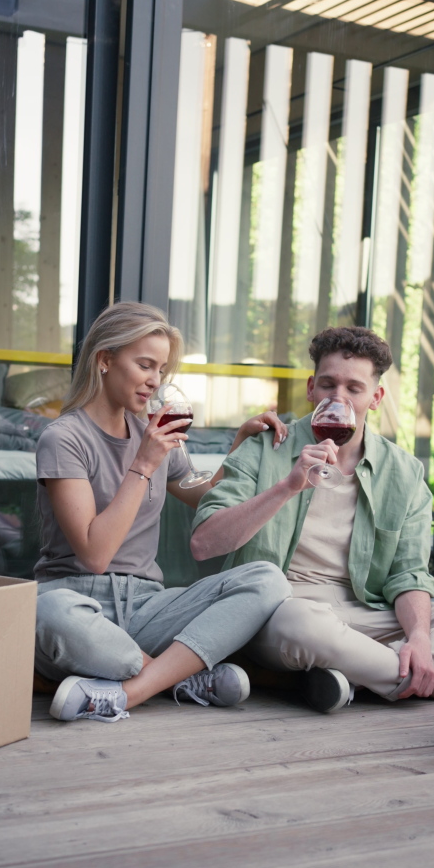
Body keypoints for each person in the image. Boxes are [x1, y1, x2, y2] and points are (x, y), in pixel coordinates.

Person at [190, 326, 434, 713]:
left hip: (366, 612)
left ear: (375, 398)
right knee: (301, 624)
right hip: (282, 609)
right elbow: (204, 544)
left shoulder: (404, 472)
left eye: (354, 388)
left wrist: (419, 636)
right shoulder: (264, 449)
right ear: (310, 389)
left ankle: (354, 671)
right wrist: (286, 487)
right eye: (328, 385)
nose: (339, 398)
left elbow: (408, 575)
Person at [34, 301, 291, 723]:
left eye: (161, 371)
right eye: (145, 366)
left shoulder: (151, 434)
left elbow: (204, 494)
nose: (155, 382)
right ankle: (177, 677)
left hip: (147, 607)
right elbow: (95, 555)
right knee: (47, 612)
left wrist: (241, 445)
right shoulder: (64, 439)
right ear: (104, 360)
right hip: (79, 603)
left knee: (266, 579)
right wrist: (144, 463)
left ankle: (130, 689)